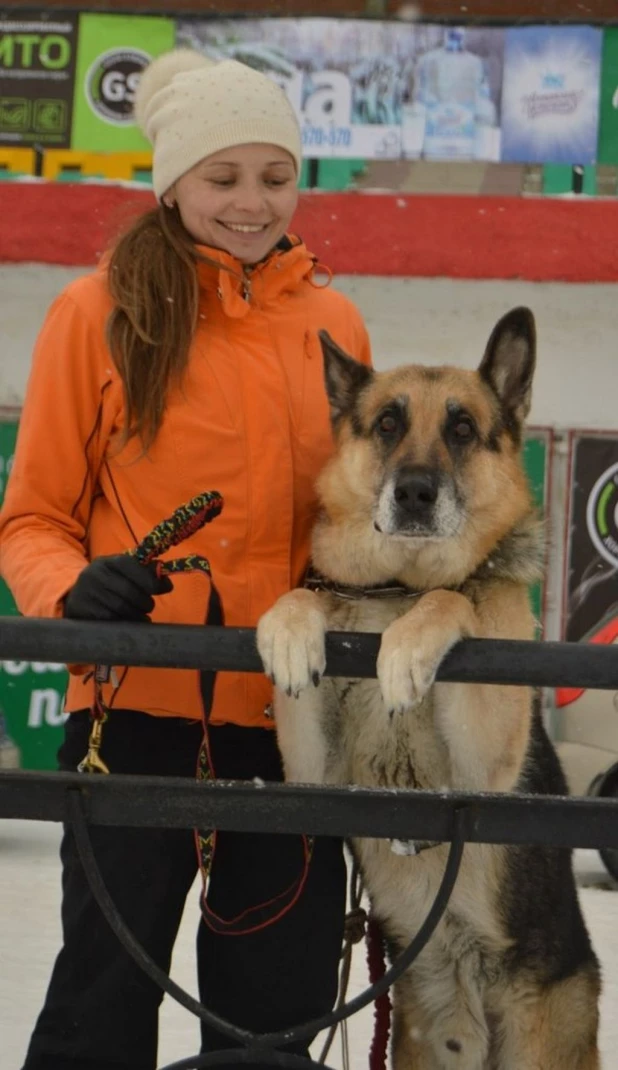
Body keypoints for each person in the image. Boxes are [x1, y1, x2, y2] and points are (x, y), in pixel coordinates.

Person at [0, 48, 372, 1070]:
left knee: (274, 1025)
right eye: (224, 176)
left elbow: (352, 531)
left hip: (290, 726)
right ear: (171, 181)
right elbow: (29, 519)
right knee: (100, 1006)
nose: (254, 203)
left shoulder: (335, 322)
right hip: (130, 720)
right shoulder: (96, 313)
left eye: (276, 175)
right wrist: (73, 591)